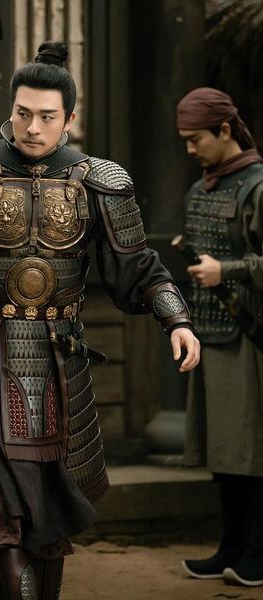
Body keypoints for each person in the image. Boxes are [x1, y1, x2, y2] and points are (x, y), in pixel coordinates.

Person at [0, 41, 200, 600]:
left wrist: (177, 320)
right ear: (11, 109)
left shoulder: (98, 180)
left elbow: (137, 267)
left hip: (60, 362)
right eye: (23, 113)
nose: (32, 127)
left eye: (46, 116)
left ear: (70, 118)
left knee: (47, 507)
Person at [177, 87, 263, 587]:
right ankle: (231, 547)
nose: (190, 149)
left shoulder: (258, 187)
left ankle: (259, 552)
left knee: (253, 445)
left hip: (251, 335)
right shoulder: (201, 190)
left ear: (225, 130)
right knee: (225, 448)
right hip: (211, 331)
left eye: (196, 139)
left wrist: (225, 270)